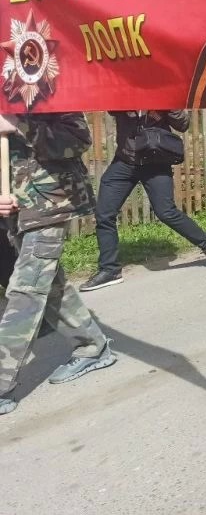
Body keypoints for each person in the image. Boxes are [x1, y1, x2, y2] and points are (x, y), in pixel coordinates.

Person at [0, 112, 117, 416]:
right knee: (49, 284)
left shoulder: (47, 90)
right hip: (16, 210)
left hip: (51, 203)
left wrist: (19, 125)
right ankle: (94, 346)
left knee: (26, 289)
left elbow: (77, 139)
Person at [80, 110, 206, 291]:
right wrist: (127, 100)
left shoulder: (162, 94)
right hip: (125, 161)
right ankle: (109, 269)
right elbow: (112, 108)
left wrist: (165, 107)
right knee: (104, 214)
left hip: (156, 161)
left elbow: (183, 124)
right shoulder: (124, 93)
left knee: (166, 211)